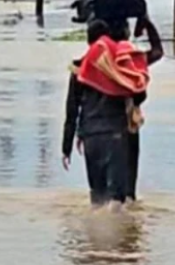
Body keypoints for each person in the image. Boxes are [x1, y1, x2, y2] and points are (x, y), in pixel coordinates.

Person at [62, 20, 150, 210]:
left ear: (88, 41)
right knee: (116, 201)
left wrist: (66, 147)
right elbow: (140, 93)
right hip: (115, 136)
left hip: (90, 138)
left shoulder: (79, 69)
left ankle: (94, 238)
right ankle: (117, 236)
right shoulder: (118, 67)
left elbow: (71, 111)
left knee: (97, 199)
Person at [107, 15, 164, 204]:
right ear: (127, 33)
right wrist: (147, 23)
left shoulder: (100, 60)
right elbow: (157, 51)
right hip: (129, 121)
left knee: (108, 185)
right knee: (129, 182)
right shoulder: (133, 60)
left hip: (104, 122)